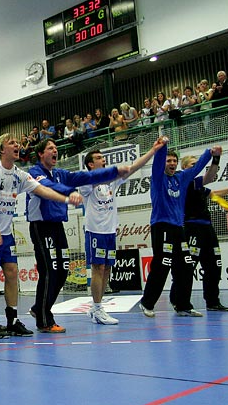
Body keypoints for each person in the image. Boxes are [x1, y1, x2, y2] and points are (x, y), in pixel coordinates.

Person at [0, 134, 80, 338]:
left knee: (12, 272)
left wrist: (65, 199)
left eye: (17, 143)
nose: (17, 145)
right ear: (1, 149)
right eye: (12, 143)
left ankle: (12, 320)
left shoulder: (19, 174)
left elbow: (42, 190)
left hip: (5, 232)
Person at [27, 139, 128, 333]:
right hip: (41, 226)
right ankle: (44, 319)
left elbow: (82, 177)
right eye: (50, 148)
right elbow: (48, 187)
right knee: (49, 271)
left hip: (57, 225)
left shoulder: (60, 173)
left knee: (63, 271)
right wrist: (69, 192)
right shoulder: (35, 172)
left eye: (56, 148)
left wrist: (115, 171)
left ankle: (38, 309)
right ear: (41, 154)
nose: (55, 151)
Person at [80, 137, 166, 325]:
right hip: (95, 232)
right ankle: (96, 308)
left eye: (104, 158)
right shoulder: (86, 181)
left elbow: (133, 167)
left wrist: (153, 150)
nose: (103, 160)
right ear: (90, 164)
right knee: (97, 268)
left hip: (110, 231)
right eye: (99, 158)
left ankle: (97, 307)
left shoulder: (111, 182)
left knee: (107, 269)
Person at [139, 141, 221, 318]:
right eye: (168, 161)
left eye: (174, 161)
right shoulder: (158, 177)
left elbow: (197, 168)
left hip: (178, 228)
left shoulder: (182, 178)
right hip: (161, 226)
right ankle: (147, 302)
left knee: (186, 265)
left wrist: (210, 152)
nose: (172, 163)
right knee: (162, 265)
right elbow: (158, 162)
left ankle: (183, 305)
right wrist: (163, 148)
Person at [181, 154, 228, 312]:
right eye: (192, 165)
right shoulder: (185, 182)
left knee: (214, 266)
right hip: (192, 227)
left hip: (208, 229)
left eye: (196, 164)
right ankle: (181, 302)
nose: (195, 167)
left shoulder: (199, 186)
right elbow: (210, 177)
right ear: (184, 168)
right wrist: (215, 159)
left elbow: (215, 194)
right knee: (188, 267)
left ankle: (212, 301)